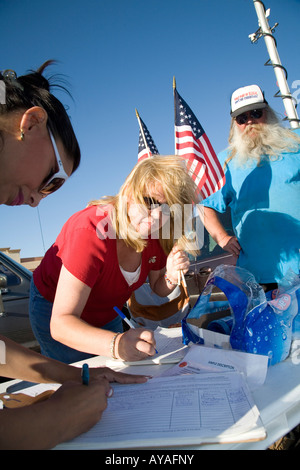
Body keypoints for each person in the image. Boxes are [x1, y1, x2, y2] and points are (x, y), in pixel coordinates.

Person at [0, 62, 146, 450]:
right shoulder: (90, 228)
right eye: (51, 178)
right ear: (30, 123)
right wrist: (48, 421)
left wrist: (72, 377)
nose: (34, 200)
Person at [29, 155, 199, 363]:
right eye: (149, 202)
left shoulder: (157, 234)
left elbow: (158, 287)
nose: (155, 217)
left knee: (114, 373)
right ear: (129, 193)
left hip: (108, 312)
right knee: (76, 377)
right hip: (54, 307)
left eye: (167, 209)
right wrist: (116, 345)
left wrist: (171, 276)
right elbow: (61, 325)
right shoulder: (91, 229)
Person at [202, 84, 300, 290]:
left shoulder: (296, 143)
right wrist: (222, 237)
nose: (250, 121)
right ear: (234, 124)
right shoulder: (225, 162)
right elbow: (203, 205)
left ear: (268, 112)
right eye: (241, 118)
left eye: (256, 113)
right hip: (260, 275)